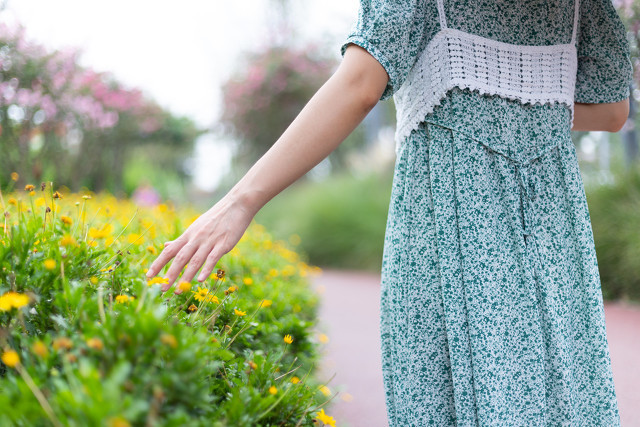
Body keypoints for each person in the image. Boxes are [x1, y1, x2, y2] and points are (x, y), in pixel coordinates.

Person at [145, 0, 632, 424]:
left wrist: (239, 202)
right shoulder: (584, 4)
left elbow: (359, 86)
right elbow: (613, 111)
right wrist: (526, 102)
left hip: (452, 228)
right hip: (553, 233)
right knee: (560, 392)